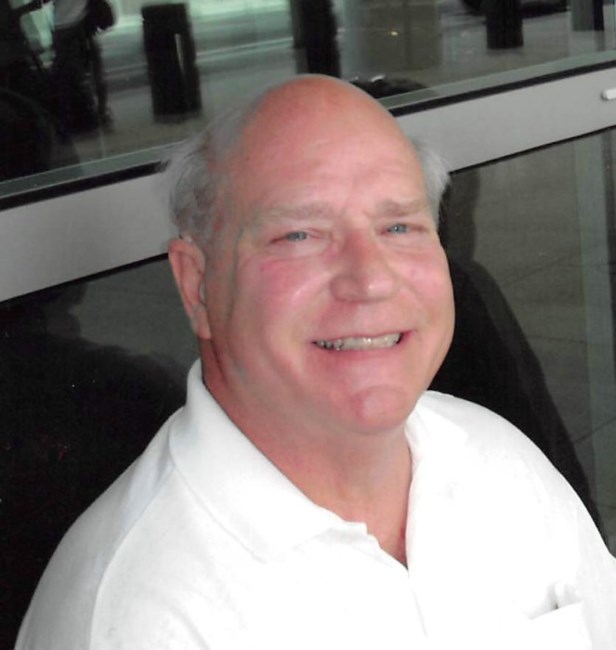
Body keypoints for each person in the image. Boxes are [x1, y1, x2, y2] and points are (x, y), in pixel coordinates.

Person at [16, 75, 616, 649]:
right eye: (299, 235)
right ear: (198, 286)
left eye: (399, 226)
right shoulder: (140, 619)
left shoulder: (496, 455)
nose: (370, 279)